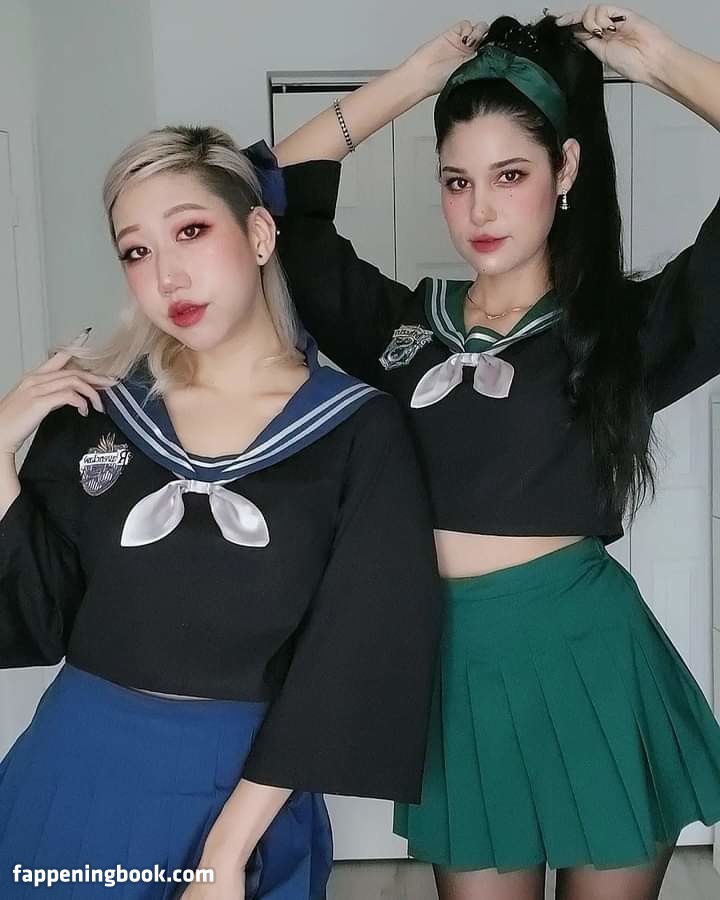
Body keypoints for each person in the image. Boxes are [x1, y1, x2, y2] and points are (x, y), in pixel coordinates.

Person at [269, 7, 720, 899]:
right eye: (456, 180)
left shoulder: (624, 332)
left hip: (592, 660)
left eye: (510, 175)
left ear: (566, 170)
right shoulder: (404, 327)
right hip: (457, 673)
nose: (479, 209)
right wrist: (411, 82)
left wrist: (661, 63)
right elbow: (276, 201)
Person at [0, 124, 442, 899]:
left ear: (260, 234)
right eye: (136, 251)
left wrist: (226, 851)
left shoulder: (357, 431)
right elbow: (40, 612)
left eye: (191, 231)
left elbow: (351, 655)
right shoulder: (100, 413)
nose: (167, 275)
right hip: (74, 772)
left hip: (241, 795)